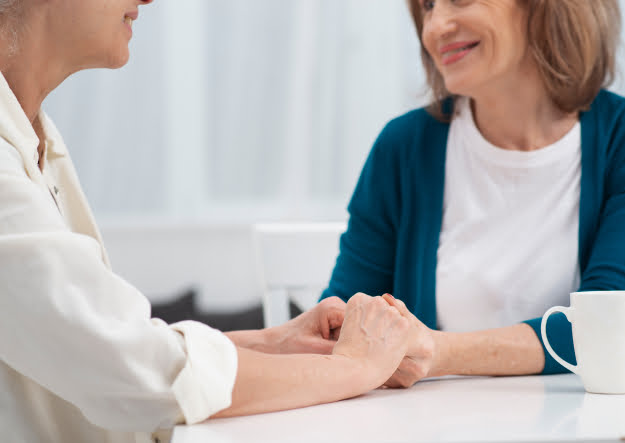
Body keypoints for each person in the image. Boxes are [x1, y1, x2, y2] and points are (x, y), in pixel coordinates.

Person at [0, 1, 420, 442]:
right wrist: (351, 369)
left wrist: (272, 343)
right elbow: (143, 375)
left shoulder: (32, 139)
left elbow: (102, 343)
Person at [320, 0, 625, 388]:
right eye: (428, 6)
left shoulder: (618, 140)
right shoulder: (403, 148)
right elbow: (345, 323)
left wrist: (437, 351)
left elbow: (611, 324)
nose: (436, 27)